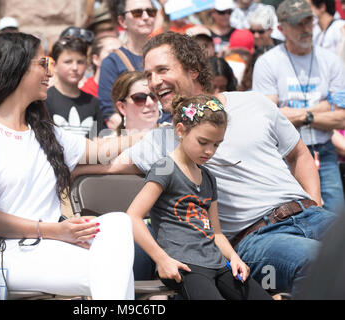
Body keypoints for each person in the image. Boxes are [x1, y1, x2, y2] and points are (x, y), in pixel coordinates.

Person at [77, 31, 337, 297]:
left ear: (193, 70)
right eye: (149, 74)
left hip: (312, 215)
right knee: (321, 263)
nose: (154, 82)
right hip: (256, 239)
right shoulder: (164, 139)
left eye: (162, 70)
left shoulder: (253, 102)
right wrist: (61, 166)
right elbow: (105, 163)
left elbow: (299, 155)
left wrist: (314, 202)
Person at [0, 32, 135, 299]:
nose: (50, 72)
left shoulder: (44, 131)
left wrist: (149, 136)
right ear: (16, 67)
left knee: (118, 224)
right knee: (114, 272)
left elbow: (101, 151)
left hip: (45, 244)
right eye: (42, 63)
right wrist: (55, 231)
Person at [127, 94, 272, 300]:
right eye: (203, 142)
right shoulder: (165, 168)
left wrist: (234, 257)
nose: (209, 151)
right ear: (181, 131)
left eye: (216, 144)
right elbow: (133, 216)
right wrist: (162, 259)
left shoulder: (208, 177)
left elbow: (217, 233)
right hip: (184, 265)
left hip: (218, 264)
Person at [252, 0, 345, 213]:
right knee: (301, 216)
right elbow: (268, 119)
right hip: (288, 155)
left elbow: (341, 118)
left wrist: (302, 116)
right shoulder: (268, 63)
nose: (305, 29)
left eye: (308, 22)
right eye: (298, 24)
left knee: (337, 216)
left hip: (324, 151)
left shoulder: (330, 61)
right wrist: (322, 108)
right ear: (282, 29)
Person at [100, 0, 159, 129]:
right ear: (122, 21)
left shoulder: (164, 57)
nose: (146, 17)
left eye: (151, 12)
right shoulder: (112, 62)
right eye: (137, 12)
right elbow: (110, 113)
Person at [46, 36, 104, 138]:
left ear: (86, 65)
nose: (75, 68)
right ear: (54, 66)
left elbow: (98, 140)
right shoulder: (45, 100)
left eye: (80, 62)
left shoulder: (93, 102)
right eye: (68, 62)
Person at [111, 71, 160, 136]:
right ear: (122, 107)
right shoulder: (109, 144)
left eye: (153, 95)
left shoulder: (175, 134)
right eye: (140, 98)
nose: (150, 102)